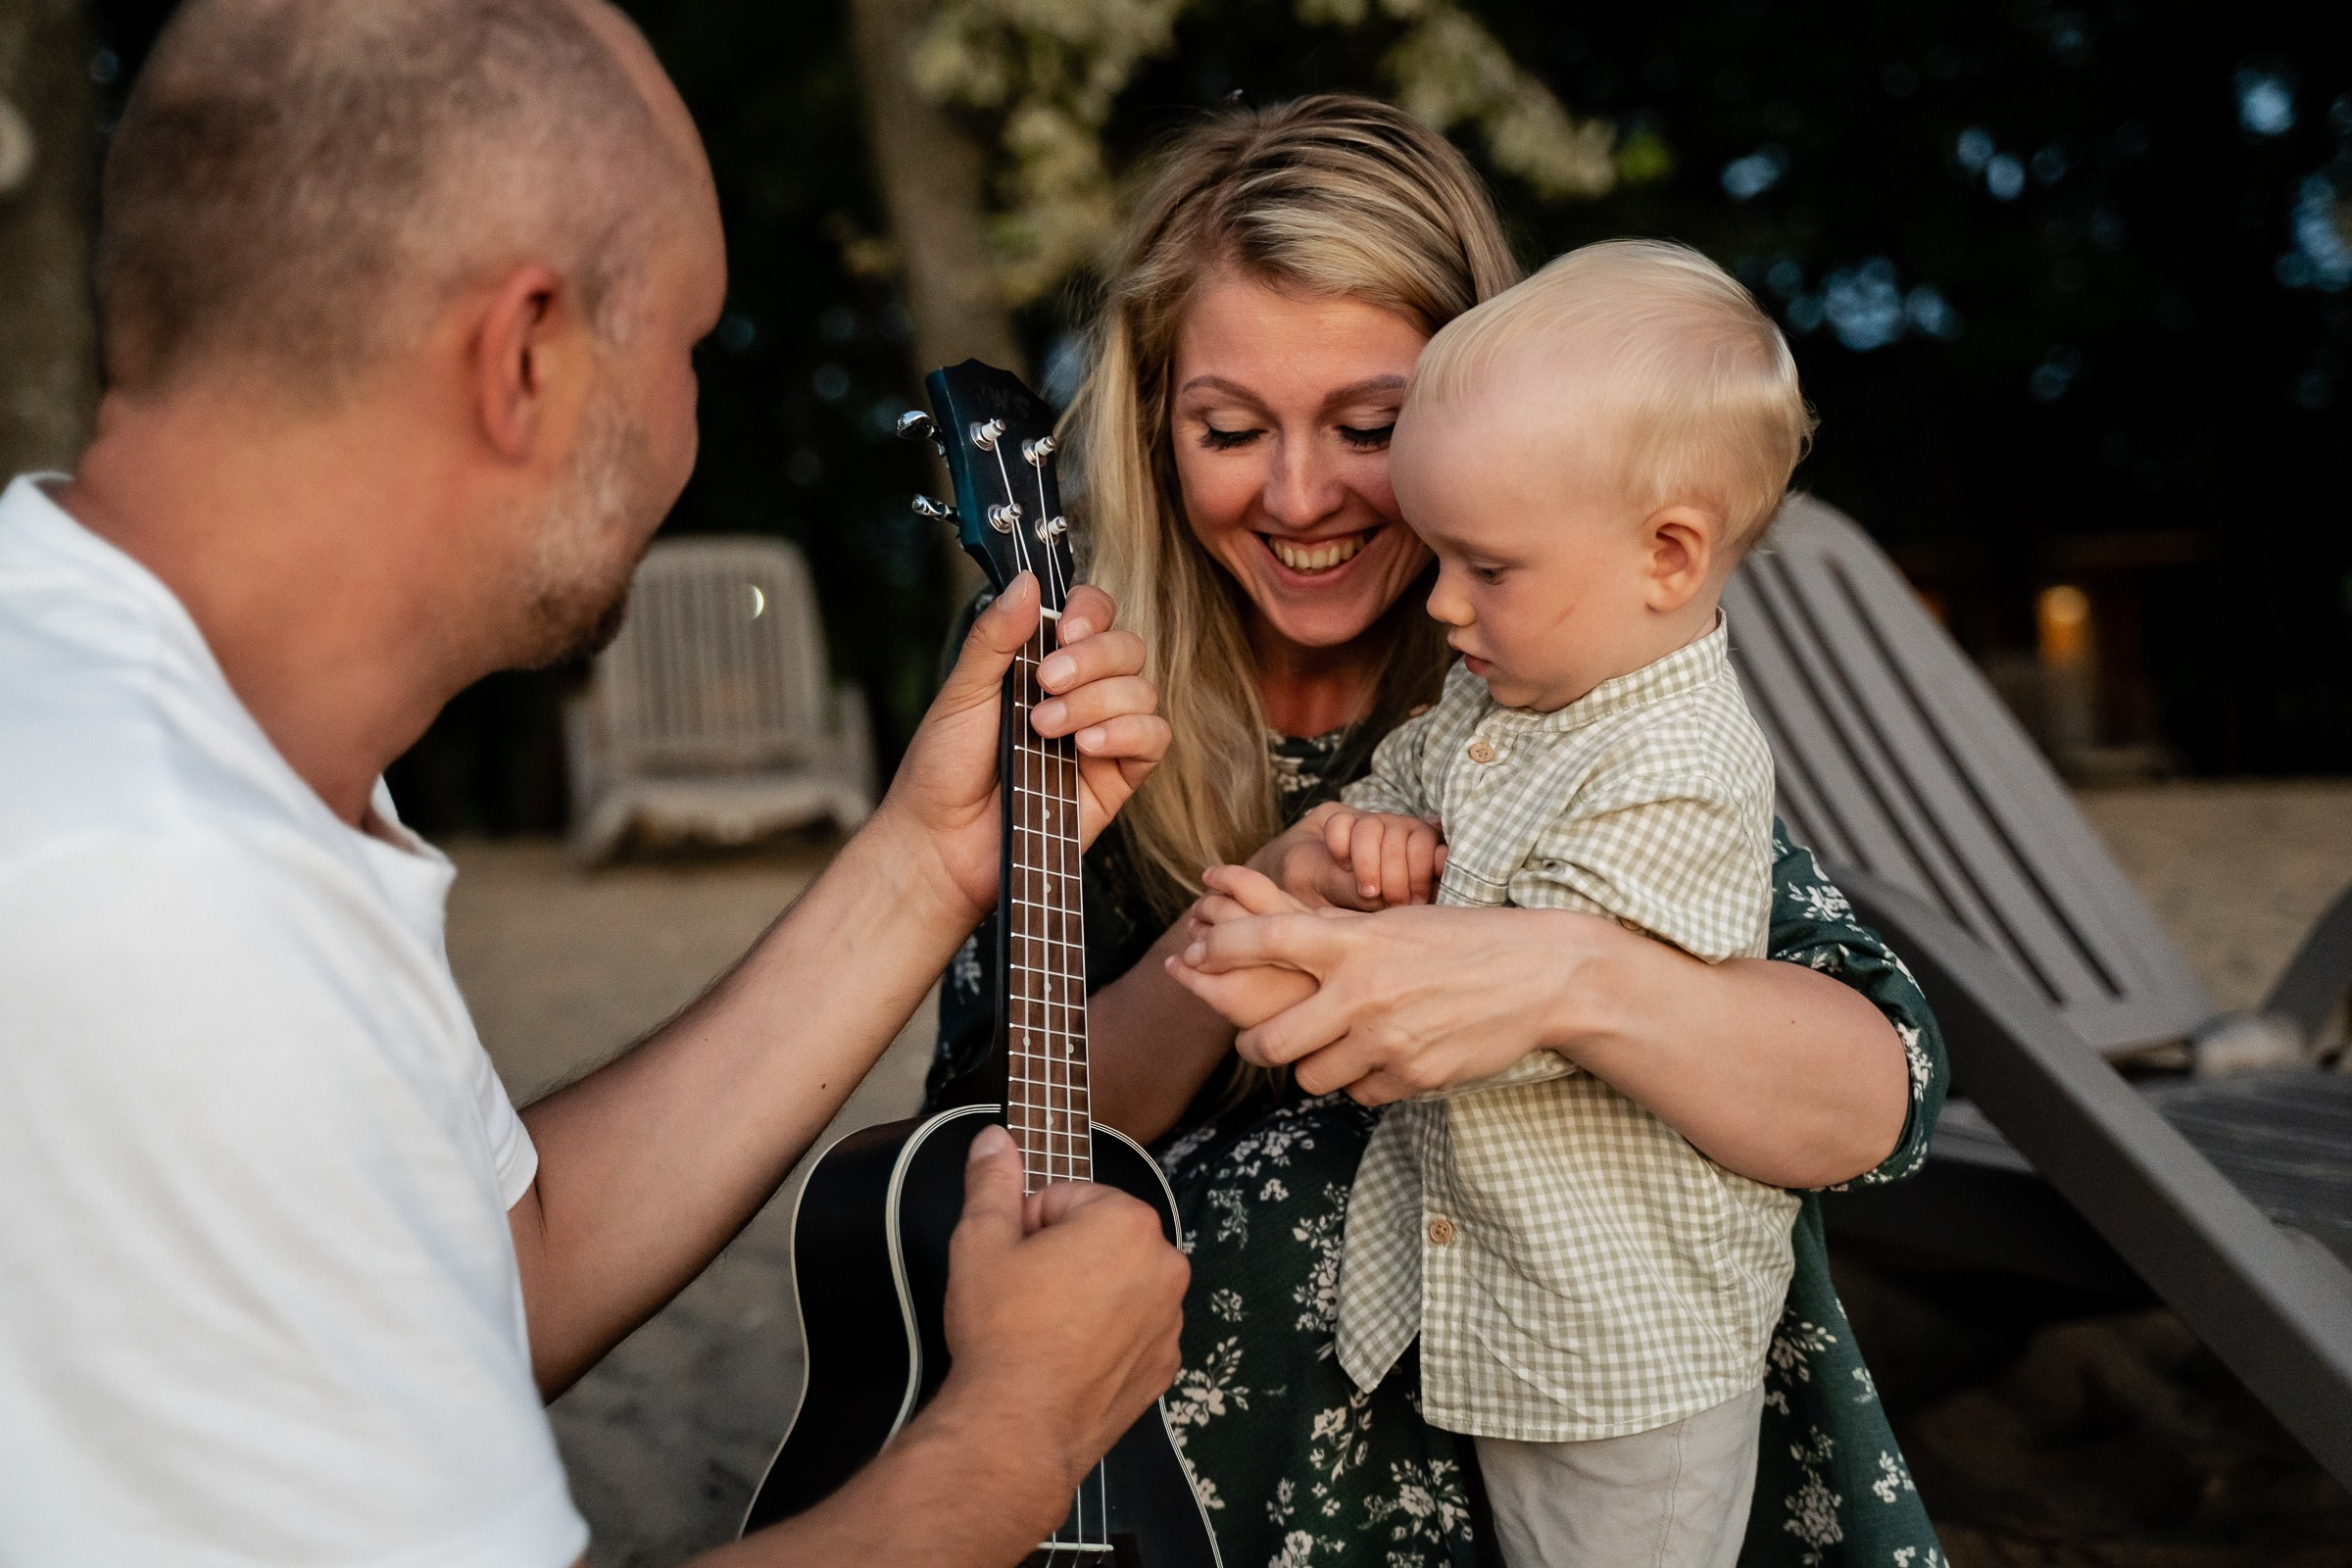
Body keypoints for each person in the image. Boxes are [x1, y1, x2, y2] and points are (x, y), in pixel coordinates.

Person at [0, 2, 1184, 1564]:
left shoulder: (144, 730)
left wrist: (919, 865)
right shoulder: (155, 886)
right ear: (526, 354)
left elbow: (499, 1272)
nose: (696, 422)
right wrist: (1016, 1432)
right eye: (688, 350)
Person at [926, 96, 1949, 1568]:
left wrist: (1564, 978)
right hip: (1210, 1490)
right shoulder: (1076, 686)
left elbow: (1877, 1098)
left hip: (1594, 1421)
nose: (1300, 497)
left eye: (1371, 428)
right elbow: (985, 1151)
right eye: (1228, 429)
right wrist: (1254, 912)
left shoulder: (1567, 686)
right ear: (1156, 429)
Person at [1173, 240, 1818, 1568]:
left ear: (1669, 555)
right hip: (1511, 1312)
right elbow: (1420, 777)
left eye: (1488, 567)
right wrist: (1367, 840)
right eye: (1231, 425)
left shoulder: (1678, 766)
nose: (1445, 601)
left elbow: (1533, 997)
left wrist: (1331, 967)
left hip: (1625, 1345)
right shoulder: (1516, 682)